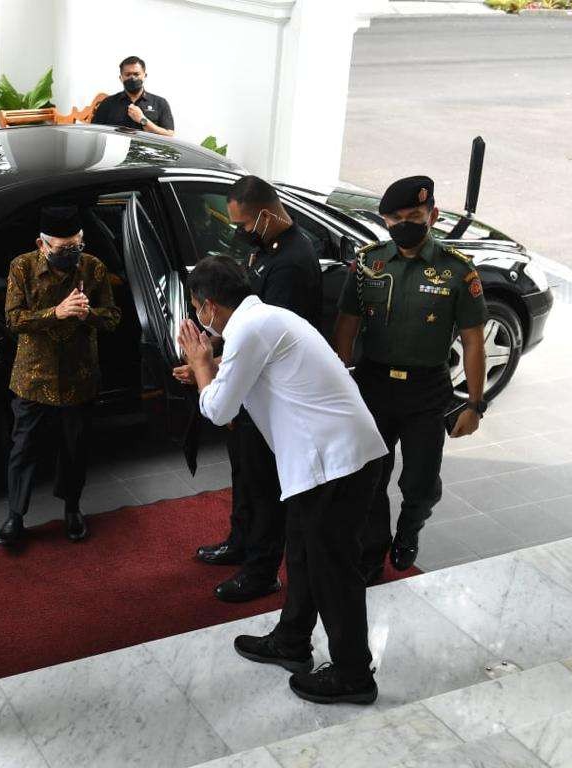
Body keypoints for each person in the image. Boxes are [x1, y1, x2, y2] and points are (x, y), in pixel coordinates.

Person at [178, 255, 387, 705]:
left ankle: (354, 674)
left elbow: (218, 410)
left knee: (333, 569)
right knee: (303, 555)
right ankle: (291, 640)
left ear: (207, 306)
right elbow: (241, 384)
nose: (197, 317)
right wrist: (209, 369)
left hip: (334, 464)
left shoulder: (251, 330)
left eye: (197, 308)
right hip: (330, 460)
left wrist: (200, 364)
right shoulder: (266, 317)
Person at [334, 175, 487, 582]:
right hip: (373, 387)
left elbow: (473, 341)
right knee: (369, 478)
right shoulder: (369, 263)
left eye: (414, 216)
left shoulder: (457, 271)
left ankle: (409, 530)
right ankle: (371, 552)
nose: (405, 224)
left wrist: (474, 405)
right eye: (395, 218)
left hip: (426, 391)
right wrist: (339, 381)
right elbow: (347, 325)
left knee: (420, 483)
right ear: (385, 221)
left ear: (433, 215)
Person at [182, 175, 323, 603]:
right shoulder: (265, 250)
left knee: (264, 487)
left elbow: (265, 344)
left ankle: (261, 570)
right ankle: (240, 541)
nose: (240, 233)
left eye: (243, 225)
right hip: (248, 382)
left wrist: (209, 366)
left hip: (271, 394)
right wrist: (212, 364)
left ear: (265, 214)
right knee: (244, 474)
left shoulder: (292, 264)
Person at [0, 205, 121, 547]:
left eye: (77, 246)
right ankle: (15, 516)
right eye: (64, 249)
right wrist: (57, 312)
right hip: (33, 377)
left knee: (75, 448)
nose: (72, 254)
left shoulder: (93, 268)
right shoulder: (21, 267)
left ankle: (72, 509)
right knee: (23, 448)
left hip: (78, 376)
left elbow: (111, 318)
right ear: (42, 244)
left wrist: (86, 314)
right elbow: (14, 320)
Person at [92, 56, 175, 136]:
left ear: (144, 76)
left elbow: (169, 134)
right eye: (128, 74)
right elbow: (94, 131)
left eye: (136, 74)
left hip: (145, 150)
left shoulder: (160, 103)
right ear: (121, 78)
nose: (132, 78)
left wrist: (143, 120)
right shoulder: (108, 103)